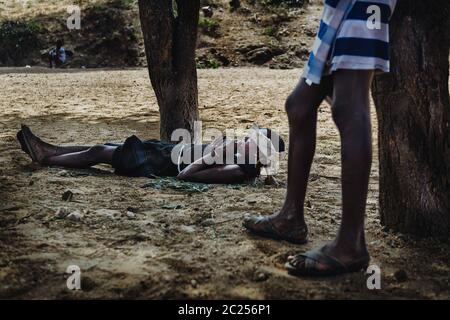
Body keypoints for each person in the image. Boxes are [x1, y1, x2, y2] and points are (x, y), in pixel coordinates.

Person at [244, 0, 398, 276]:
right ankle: (290, 217)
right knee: (299, 105)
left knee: (349, 106)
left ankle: (351, 243)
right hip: (341, 6)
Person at [17, 125, 285, 185]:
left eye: (251, 141)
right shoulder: (236, 155)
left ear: (256, 155)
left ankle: (46, 157)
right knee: (106, 146)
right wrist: (216, 145)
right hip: (165, 150)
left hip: (157, 163)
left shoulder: (237, 170)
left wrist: (213, 154)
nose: (245, 139)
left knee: (101, 152)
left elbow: (185, 176)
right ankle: (50, 149)